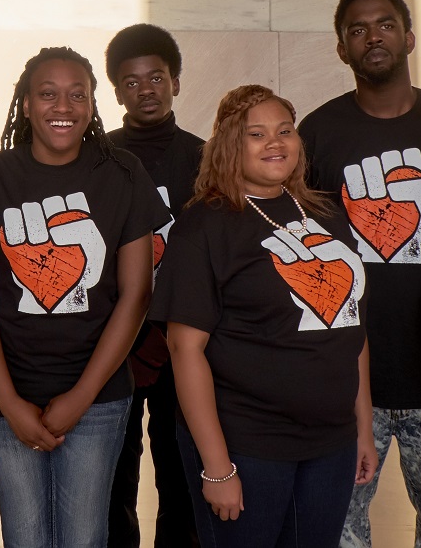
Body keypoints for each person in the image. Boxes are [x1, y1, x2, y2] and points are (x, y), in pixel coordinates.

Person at [0, 46, 169, 548]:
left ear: (93, 104)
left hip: (99, 397)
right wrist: (8, 402)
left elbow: (136, 295)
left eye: (77, 95)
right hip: (7, 395)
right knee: (24, 537)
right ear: (25, 103)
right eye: (48, 94)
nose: (62, 106)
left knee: (84, 537)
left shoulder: (122, 172)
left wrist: (80, 398)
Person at [298, 0, 421, 548]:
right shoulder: (318, 132)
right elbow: (306, 252)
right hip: (353, 381)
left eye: (384, 25)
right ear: (341, 49)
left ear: (408, 38)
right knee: (339, 527)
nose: (371, 37)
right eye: (357, 29)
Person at [152, 84, 377, 548]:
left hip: (329, 443)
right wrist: (216, 467)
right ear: (231, 145)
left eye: (285, 130)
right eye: (257, 134)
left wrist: (362, 428)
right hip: (247, 444)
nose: (276, 143)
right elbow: (184, 348)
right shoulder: (205, 224)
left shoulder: (327, 215)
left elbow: (351, 327)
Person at [104, 24, 203, 548]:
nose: (146, 89)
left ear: (176, 83)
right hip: (116, 344)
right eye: (132, 81)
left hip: (185, 345)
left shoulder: (207, 159)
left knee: (183, 476)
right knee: (113, 479)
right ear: (117, 91)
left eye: (157, 78)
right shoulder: (98, 158)